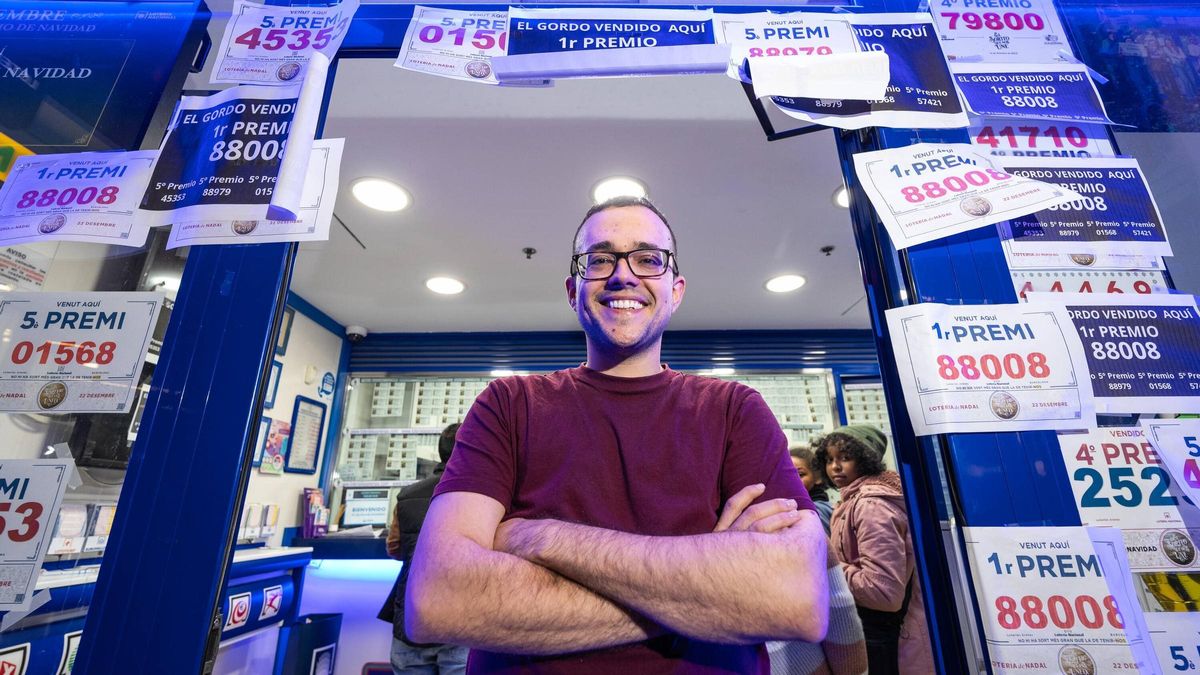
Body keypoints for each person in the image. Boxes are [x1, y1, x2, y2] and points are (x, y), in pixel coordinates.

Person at [405, 196, 829, 673]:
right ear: (572, 289)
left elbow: (798, 601)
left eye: (648, 259)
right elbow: (438, 601)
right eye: (600, 259)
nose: (623, 275)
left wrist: (539, 538)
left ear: (676, 289)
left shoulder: (735, 409)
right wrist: (707, 586)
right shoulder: (508, 404)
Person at [815, 425, 933, 675]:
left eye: (845, 458)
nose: (835, 467)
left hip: (880, 634)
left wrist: (827, 566)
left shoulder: (872, 506)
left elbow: (882, 593)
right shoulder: (853, 500)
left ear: (866, 459)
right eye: (829, 459)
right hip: (870, 629)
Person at [380, 422, 469, 675]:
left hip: (410, 619)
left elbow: (395, 548)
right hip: (458, 624)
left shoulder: (406, 495)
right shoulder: (477, 500)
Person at [790, 443, 833, 534]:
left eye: (800, 474)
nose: (791, 480)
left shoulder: (816, 510)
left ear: (817, 477)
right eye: (786, 474)